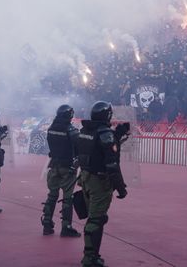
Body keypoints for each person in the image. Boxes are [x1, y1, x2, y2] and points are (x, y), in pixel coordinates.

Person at [77, 101, 128, 267]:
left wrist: (116, 136)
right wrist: (120, 188)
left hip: (85, 177)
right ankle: (90, 257)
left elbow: (96, 149)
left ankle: (91, 254)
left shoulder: (85, 130)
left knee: (96, 217)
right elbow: (112, 164)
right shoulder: (105, 134)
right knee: (96, 219)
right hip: (99, 181)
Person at [41, 104, 81, 237]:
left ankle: (47, 223)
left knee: (52, 194)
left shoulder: (51, 128)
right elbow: (80, 146)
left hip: (54, 165)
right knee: (67, 198)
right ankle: (66, 227)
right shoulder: (71, 130)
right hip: (67, 167)